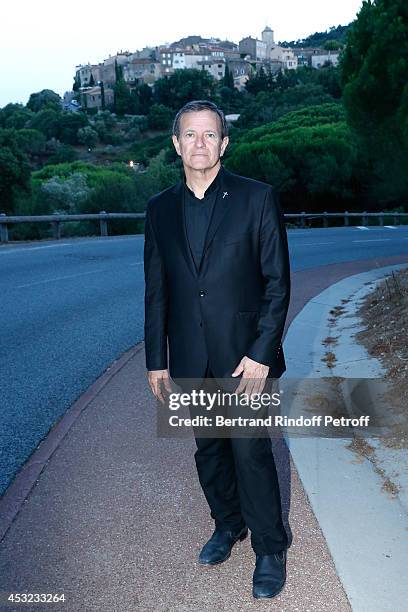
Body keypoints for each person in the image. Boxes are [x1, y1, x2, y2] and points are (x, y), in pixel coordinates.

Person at [144, 100, 291, 599]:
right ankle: (228, 525)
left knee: (249, 451)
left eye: (210, 135)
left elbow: (277, 284)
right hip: (189, 355)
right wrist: (156, 360)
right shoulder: (159, 209)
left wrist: (263, 352)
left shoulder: (257, 198)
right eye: (190, 135)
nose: (200, 144)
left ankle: (270, 547)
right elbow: (156, 291)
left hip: (246, 356)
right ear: (176, 143)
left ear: (224, 143)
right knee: (208, 449)